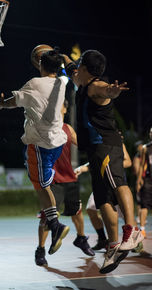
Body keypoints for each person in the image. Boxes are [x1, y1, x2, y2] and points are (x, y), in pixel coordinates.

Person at [63, 49, 144, 274]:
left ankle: (132, 229)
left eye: (79, 63)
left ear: (87, 69)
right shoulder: (80, 80)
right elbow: (69, 66)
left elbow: (107, 90)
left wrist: (113, 90)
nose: (75, 66)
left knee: (118, 184)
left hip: (106, 145)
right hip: (94, 150)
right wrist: (59, 56)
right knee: (103, 201)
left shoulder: (96, 86)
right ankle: (112, 244)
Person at [0, 49, 70, 255]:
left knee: (40, 186)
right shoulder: (63, 81)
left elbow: (14, 101)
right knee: (43, 185)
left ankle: (56, 225)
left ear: (41, 64)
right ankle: (54, 225)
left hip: (40, 144)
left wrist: (1, 104)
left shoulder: (34, 83)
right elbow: (68, 71)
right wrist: (60, 59)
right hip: (57, 143)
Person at [35, 100, 95, 266]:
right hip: (51, 179)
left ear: (65, 108)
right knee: (47, 216)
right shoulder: (43, 127)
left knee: (76, 212)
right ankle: (40, 250)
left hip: (69, 176)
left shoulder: (68, 128)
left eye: (59, 104)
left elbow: (84, 145)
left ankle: (81, 239)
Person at [75, 141, 132, 251]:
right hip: (101, 183)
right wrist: (83, 168)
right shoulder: (96, 142)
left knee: (125, 214)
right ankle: (102, 239)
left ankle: (135, 241)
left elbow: (128, 162)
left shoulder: (117, 142)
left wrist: (111, 165)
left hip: (116, 183)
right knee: (90, 208)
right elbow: (96, 161)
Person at [136, 127, 152, 238]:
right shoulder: (146, 148)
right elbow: (142, 165)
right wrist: (139, 179)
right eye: (151, 132)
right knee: (144, 204)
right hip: (148, 179)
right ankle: (142, 229)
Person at [132, 140, 143, 224]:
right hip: (141, 180)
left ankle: (141, 216)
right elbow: (136, 170)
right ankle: (139, 217)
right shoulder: (137, 157)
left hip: (147, 179)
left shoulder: (145, 155)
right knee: (140, 200)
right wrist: (139, 180)